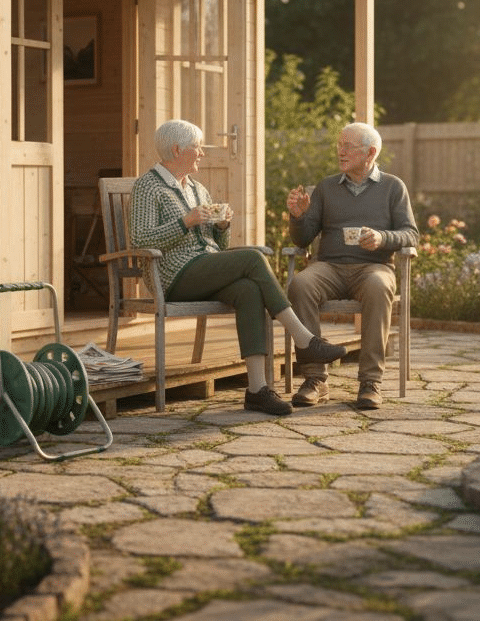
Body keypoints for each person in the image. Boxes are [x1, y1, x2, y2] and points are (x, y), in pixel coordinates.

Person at [131, 119, 346, 416]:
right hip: (171, 275)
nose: (202, 153)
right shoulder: (148, 186)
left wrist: (222, 226)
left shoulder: (197, 189)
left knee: (248, 291)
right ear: (177, 150)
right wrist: (185, 222)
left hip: (204, 267)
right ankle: (304, 339)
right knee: (252, 258)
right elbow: (140, 239)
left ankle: (257, 389)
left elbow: (217, 246)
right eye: (197, 147)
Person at [286, 122, 418, 409]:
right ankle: (315, 379)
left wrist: (382, 238)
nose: (341, 151)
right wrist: (298, 217)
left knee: (378, 287)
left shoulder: (393, 187)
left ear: (370, 152)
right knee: (300, 284)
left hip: (373, 267)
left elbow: (411, 234)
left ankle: (370, 381)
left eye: (348, 146)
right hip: (329, 267)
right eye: (339, 145)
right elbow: (303, 238)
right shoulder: (327, 187)